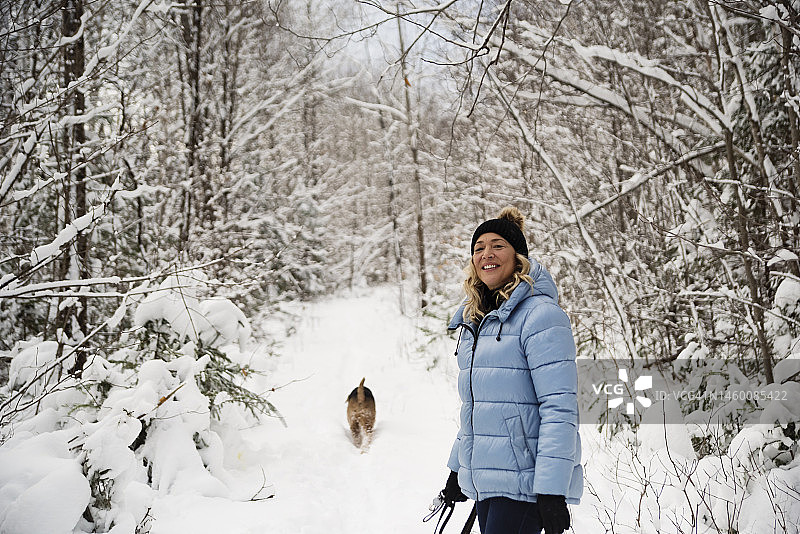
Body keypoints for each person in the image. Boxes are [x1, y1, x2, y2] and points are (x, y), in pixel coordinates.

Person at [438, 206, 582, 534]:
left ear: (518, 257)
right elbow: (479, 409)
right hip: (488, 480)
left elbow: (560, 409)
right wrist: (458, 468)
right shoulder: (476, 321)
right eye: (479, 248)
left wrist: (551, 490)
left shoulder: (541, 317)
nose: (486, 254)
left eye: (498, 245)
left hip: (525, 484)